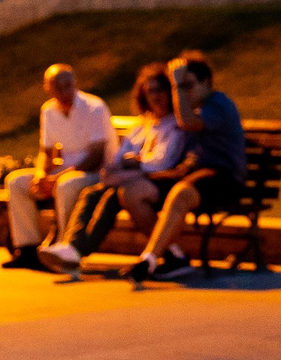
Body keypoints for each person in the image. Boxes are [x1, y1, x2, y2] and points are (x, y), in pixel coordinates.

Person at [57, 63, 187, 271]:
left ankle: (76, 251)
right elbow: (119, 159)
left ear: (169, 91)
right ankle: (71, 246)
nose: (155, 96)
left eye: (159, 90)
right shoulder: (142, 126)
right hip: (132, 181)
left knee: (113, 195)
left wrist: (134, 163)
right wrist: (125, 166)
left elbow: (163, 162)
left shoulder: (176, 125)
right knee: (92, 194)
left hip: (160, 183)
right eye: (149, 91)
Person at [127, 51, 242, 285]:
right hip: (191, 173)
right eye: (179, 86)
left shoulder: (218, 104)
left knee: (180, 193)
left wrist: (176, 85)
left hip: (223, 178)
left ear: (206, 82)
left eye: (188, 85)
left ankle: (148, 259)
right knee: (132, 192)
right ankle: (174, 256)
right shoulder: (192, 107)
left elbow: (187, 122)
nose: (183, 91)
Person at [2, 64, 118, 271]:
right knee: (16, 181)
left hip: (96, 173)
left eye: (68, 86)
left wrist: (57, 178)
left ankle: (64, 250)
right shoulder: (48, 110)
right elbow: (45, 151)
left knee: (66, 185)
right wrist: (40, 175)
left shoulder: (94, 107)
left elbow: (97, 156)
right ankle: (27, 249)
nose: (64, 92)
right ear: (48, 88)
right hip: (64, 172)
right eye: (58, 87)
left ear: (75, 84)